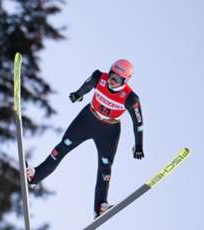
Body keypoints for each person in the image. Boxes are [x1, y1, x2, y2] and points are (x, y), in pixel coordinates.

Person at [26, 59, 144, 218]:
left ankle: (100, 207)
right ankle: (35, 176)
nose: (112, 81)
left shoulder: (131, 98)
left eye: (117, 79)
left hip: (109, 131)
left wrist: (138, 146)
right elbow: (87, 85)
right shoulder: (99, 77)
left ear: (126, 81)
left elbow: (138, 124)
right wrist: (77, 94)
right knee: (62, 147)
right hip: (87, 119)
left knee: (105, 167)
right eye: (111, 76)